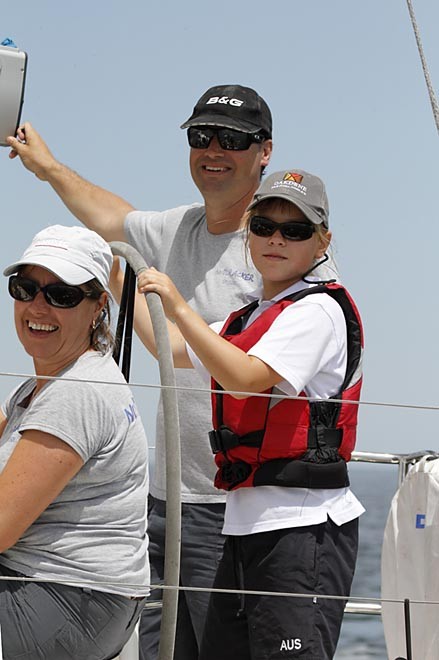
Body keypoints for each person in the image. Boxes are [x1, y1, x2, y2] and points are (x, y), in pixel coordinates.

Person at [6, 85, 337, 659]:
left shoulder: (277, 255)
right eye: (201, 136)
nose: (214, 149)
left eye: (232, 140)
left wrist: (149, 298)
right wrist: (48, 167)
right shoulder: (176, 229)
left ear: (264, 152)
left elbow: (241, 368)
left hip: (231, 504)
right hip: (162, 502)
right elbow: (110, 216)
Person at [135, 169, 365, 659]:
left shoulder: (318, 311)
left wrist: (178, 304)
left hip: (302, 530)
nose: (276, 239)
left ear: (323, 240)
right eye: (263, 226)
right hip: (242, 528)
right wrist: (123, 285)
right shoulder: (247, 319)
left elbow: (245, 376)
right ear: (248, 233)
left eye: (295, 230)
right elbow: (166, 346)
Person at [0, 224, 149, 660]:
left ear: (99, 305)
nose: (37, 306)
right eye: (25, 288)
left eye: (61, 295)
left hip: (67, 601)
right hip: (85, 598)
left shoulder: (75, 392)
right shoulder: (42, 385)